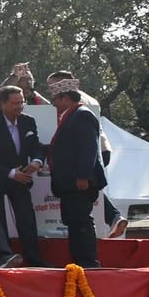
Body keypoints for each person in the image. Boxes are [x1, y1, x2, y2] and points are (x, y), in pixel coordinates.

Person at [0, 84, 44, 267]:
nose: (19, 106)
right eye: (15, 103)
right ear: (2, 104)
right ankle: (4, 259)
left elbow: (36, 146)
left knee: (27, 219)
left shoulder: (28, 121)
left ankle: (34, 260)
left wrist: (37, 161)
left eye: (21, 102)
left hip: (21, 179)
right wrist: (11, 173)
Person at [47, 76, 106, 268]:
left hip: (78, 182)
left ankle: (88, 262)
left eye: (55, 99)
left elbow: (88, 148)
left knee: (81, 222)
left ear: (65, 98)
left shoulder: (82, 115)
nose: (54, 104)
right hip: (69, 183)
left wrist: (83, 175)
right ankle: (78, 262)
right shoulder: (72, 115)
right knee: (74, 221)